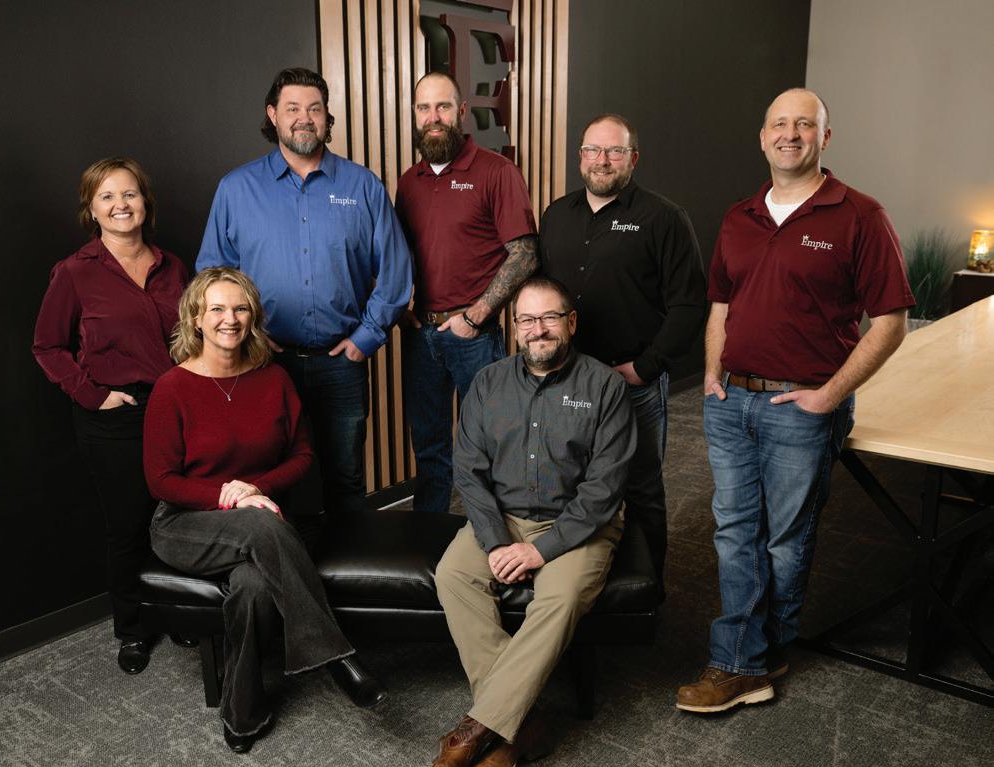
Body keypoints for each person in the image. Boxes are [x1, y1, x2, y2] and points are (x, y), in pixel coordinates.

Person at [676, 88, 914, 713]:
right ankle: (747, 659)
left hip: (800, 410)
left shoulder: (860, 215)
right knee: (735, 532)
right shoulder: (739, 216)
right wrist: (712, 373)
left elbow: (891, 322)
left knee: (785, 539)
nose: (790, 134)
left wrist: (830, 396)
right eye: (779, 124)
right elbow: (721, 305)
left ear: (824, 137)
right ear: (762, 137)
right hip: (731, 402)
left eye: (804, 124)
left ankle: (759, 652)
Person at [142, 268, 385, 754]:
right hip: (186, 524)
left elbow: (303, 456)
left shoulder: (273, 378)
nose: (229, 319)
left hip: (262, 521)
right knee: (257, 523)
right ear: (195, 319)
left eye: (240, 308)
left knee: (252, 586)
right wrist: (231, 497)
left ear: (253, 317)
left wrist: (256, 487)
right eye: (216, 309)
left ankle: (242, 713)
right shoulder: (172, 387)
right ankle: (335, 655)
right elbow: (161, 481)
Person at [423, 277, 635, 767]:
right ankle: (524, 723)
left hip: (579, 524)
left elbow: (604, 488)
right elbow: (469, 472)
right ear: (514, 327)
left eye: (550, 318)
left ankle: (471, 736)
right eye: (527, 320)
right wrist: (497, 542)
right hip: (504, 518)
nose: (538, 329)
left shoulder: (605, 387)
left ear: (571, 323)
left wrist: (540, 549)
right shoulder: (487, 383)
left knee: (559, 598)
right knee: (454, 574)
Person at [197, 66, 412, 513]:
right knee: (270, 479)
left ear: (327, 117)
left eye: (314, 109)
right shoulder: (236, 189)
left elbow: (396, 271)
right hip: (263, 365)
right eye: (292, 108)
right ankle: (287, 561)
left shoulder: (362, 186)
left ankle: (351, 559)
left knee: (346, 478)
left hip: (341, 364)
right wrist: (250, 335)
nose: (304, 118)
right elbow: (211, 278)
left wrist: (366, 337)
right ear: (272, 114)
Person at [33, 157, 188, 675]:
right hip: (114, 417)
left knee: (179, 516)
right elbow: (47, 346)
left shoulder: (173, 267)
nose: (121, 205)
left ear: (145, 202)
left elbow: (191, 337)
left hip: (174, 409)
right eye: (107, 196)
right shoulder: (75, 272)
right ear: (92, 210)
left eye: (130, 194)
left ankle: (180, 611)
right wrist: (92, 394)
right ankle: (134, 628)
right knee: (128, 526)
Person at [539, 113, 707, 588]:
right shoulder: (556, 215)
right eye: (593, 150)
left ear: (633, 158)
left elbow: (690, 303)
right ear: (580, 157)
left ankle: (647, 591)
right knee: (568, 486)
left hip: (631, 385)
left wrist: (645, 367)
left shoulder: (664, 218)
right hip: (567, 381)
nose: (602, 160)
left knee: (641, 489)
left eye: (614, 151)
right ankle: (576, 586)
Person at [396, 71, 538, 513]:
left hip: (475, 337)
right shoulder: (409, 181)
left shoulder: (497, 171)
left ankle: (494, 542)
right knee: (429, 452)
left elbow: (525, 255)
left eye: (442, 107)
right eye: (424, 108)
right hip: (421, 336)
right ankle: (429, 542)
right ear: (414, 115)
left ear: (460, 112)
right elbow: (398, 254)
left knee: (491, 449)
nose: (433, 117)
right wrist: (401, 307)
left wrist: (475, 316)